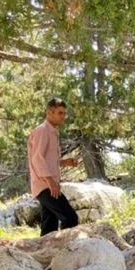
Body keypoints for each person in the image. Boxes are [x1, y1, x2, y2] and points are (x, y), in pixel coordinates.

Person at [27, 98, 79, 237]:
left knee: (49, 226)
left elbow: (47, 161)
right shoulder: (42, 131)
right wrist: (50, 182)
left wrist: (64, 162)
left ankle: (45, 256)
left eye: (64, 113)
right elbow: (37, 158)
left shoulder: (51, 132)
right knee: (70, 217)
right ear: (49, 112)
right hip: (45, 186)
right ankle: (66, 249)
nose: (64, 116)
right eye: (60, 113)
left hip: (47, 185)